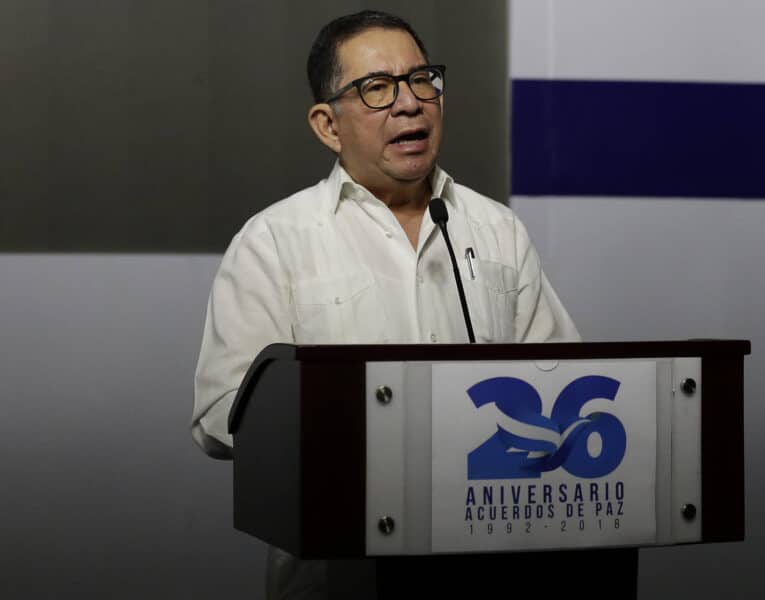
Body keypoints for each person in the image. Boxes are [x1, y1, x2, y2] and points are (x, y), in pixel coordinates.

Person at [191, 9, 579, 599]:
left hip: (491, 569)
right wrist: (368, 435)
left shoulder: (497, 232)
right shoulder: (274, 241)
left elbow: (562, 387)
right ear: (328, 125)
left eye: (422, 80)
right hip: (340, 575)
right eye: (377, 89)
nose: (409, 104)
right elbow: (221, 416)